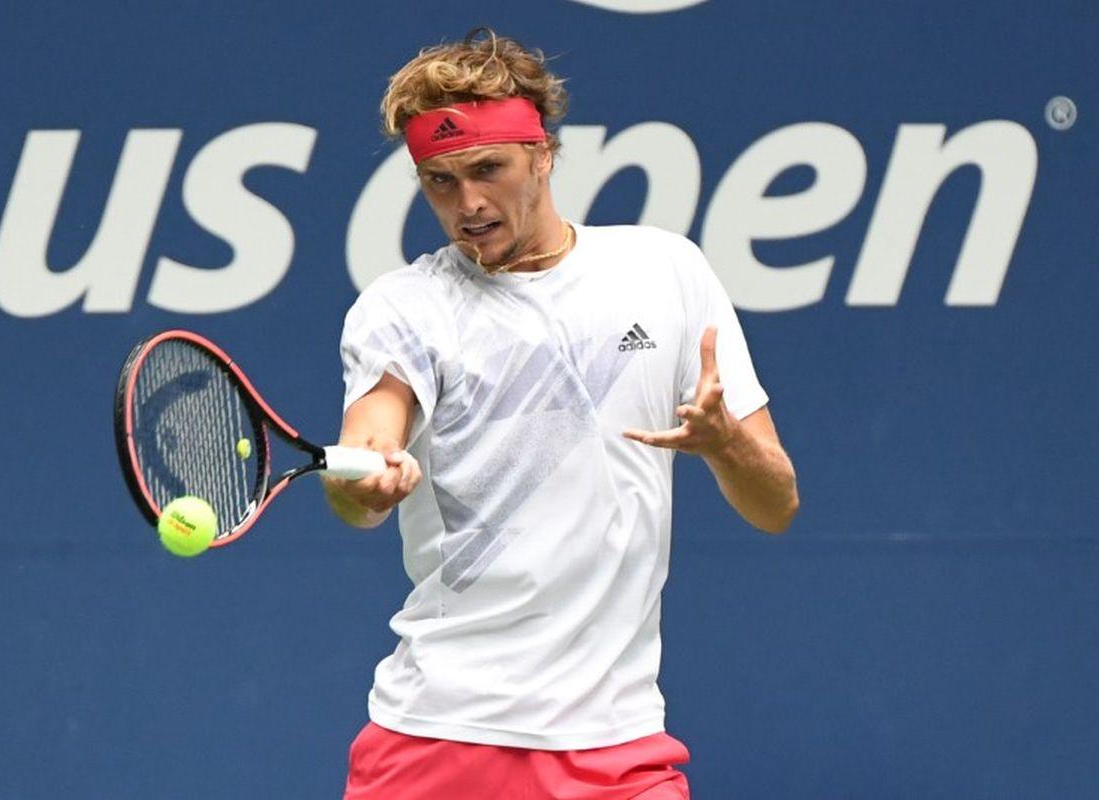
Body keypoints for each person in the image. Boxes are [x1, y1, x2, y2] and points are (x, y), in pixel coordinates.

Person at [323, 28, 799, 800]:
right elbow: (367, 446)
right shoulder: (403, 308)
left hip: (617, 750)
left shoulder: (665, 272)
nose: (468, 204)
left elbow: (776, 504)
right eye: (439, 182)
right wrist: (366, 483)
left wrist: (722, 446)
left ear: (543, 153)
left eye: (488, 169)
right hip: (440, 736)